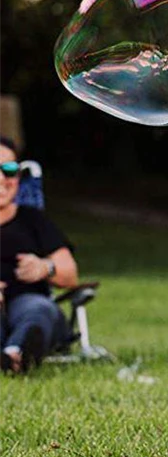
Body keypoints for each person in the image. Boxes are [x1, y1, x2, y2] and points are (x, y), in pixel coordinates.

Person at [0, 136, 78, 374]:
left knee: (41, 310)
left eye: (9, 170)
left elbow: (70, 275)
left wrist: (46, 267)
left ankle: (14, 355)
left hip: (27, 302)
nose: (2, 178)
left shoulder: (32, 220)